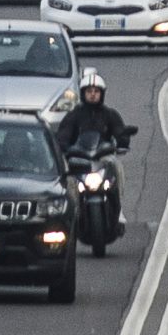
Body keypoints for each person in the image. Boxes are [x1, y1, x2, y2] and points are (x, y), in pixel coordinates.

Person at [56, 72, 132, 225]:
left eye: (96, 92)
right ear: (83, 93)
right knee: (67, 179)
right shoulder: (74, 115)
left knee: (116, 166)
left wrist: (123, 139)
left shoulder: (109, 114)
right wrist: (63, 146)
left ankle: (118, 208)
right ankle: (71, 211)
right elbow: (64, 134)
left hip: (103, 157)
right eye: (89, 91)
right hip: (78, 158)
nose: (92, 95)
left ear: (102, 94)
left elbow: (119, 130)